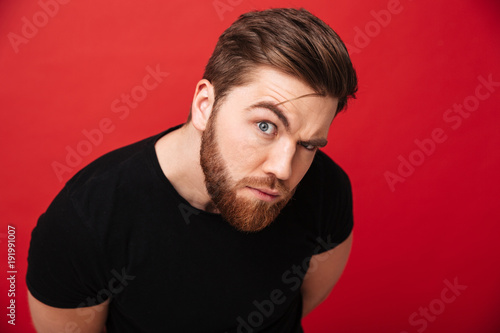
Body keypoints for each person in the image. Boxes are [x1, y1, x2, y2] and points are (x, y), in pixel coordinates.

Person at [26, 7, 358, 333]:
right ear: (205, 106)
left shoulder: (326, 190)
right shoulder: (85, 221)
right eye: (265, 126)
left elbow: (303, 300)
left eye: (308, 144)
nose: (283, 169)